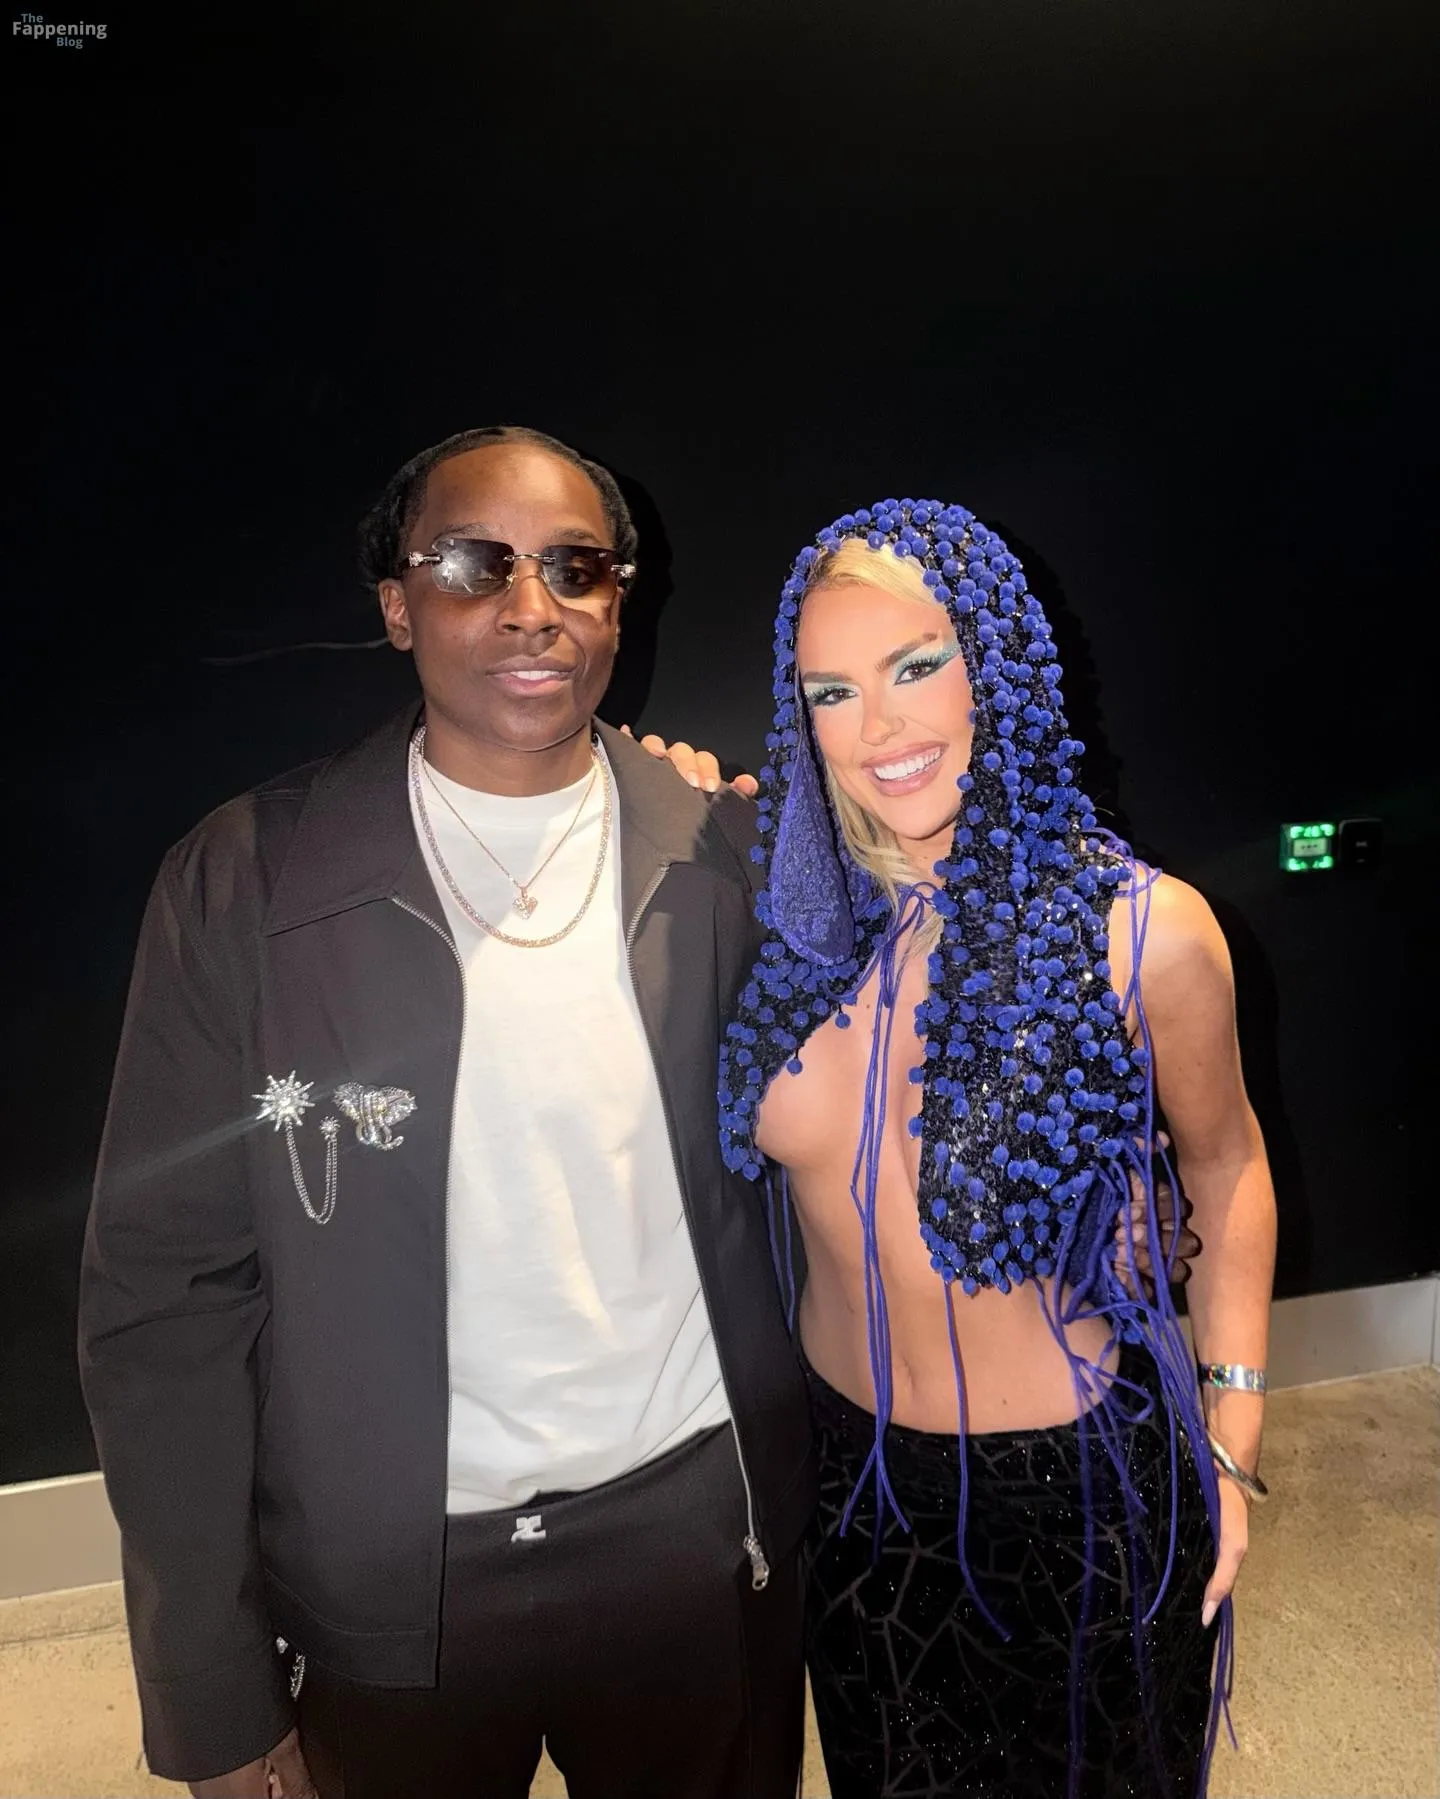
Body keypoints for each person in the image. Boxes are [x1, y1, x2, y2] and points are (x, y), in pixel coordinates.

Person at [78, 425, 815, 1799]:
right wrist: (209, 1686)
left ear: (619, 601)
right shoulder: (248, 884)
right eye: (477, 565)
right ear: (397, 605)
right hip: (386, 1579)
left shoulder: (720, 853)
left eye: (576, 568)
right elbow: (164, 1307)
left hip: (694, 1542)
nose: (533, 608)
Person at [714, 499, 1277, 1798]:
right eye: (834, 692)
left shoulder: (1142, 930)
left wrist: (1235, 1426)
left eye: (917, 665)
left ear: (999, 666)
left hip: (1077, 1500)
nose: (881, 727)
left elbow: (1229, 1165)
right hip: (843, 1487)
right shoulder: (795, 930)